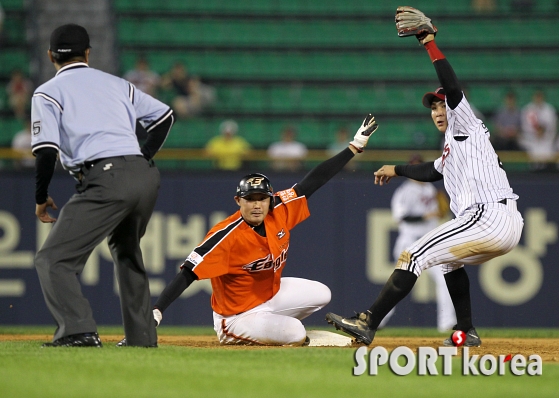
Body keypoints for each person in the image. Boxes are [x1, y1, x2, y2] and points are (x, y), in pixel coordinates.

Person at [325, 7, 524, 347]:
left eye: (441, 105)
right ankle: (467, 331)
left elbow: (452, 86)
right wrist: (397, 169)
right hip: (501, 220)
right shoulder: (453, 143)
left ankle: (368, 321)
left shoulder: (466, 123)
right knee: (448, 263)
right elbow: (434, 170)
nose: (437, 111)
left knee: (414, 254)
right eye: (432, 107)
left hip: (488, 215)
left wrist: (429, 43)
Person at [117, 115, 379, 347]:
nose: (256, 204)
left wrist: (353, 148)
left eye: (261, 198)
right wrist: (157, 312)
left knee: (323, 293)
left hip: (268, 297)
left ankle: (273, 327)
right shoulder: (226, 235)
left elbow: (313, 181)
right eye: (250, 198)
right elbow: (188, 272)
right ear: (238, 201)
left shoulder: (279, 209)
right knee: (296, 333)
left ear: (269, 199)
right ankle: (239, 333)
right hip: (235, 316)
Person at [31, 24, 175, 347]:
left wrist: (40, 197)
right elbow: (165, 117)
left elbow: (46, 151)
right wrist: (142, 156)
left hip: (105, 177)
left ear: (51, 55)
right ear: (88, 53)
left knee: (53, 260)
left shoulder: (47, 92)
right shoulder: (117, 84)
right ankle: (142, 338)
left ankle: (77, 330)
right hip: (144, 176)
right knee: (127, 253)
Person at [378, 154, 456, 332]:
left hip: (430, 242)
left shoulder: (429, 189)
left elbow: (440, 213)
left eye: (418, 167)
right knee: (399, 284)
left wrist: (438, 213)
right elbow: (401, 217)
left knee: (445, 280)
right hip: (410, 244)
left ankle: (447, 324)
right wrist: (425, 216)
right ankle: (378, 319)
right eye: (413, 167)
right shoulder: (404, 191)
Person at [519, 90, 557, 170]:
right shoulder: (528, 109)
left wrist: (543, 132)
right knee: (526, 143)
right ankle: (535, 168)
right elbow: (525, 127)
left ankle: (548, 168)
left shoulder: (549, 110)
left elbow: (553, 127)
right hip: (531, 138)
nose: (538, 99)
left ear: (543, 98)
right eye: (537, 97)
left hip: (547, 138)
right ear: (533, 97)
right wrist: (536, 132)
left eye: (540, 97)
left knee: (549, 147)